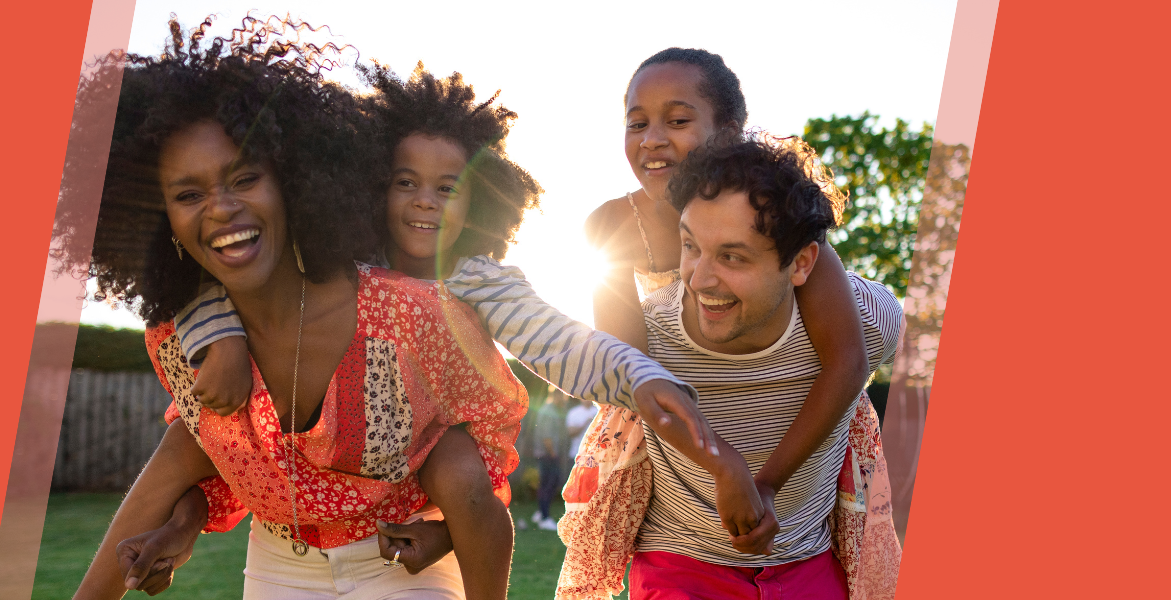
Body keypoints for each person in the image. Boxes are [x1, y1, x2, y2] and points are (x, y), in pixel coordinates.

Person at [66, 17, 529, 600]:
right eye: (188, 194)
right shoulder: (180, 344)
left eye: (246, 178)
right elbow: (222, 462)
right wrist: (178, 528)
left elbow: (487, 432)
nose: (221, 209)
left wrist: (443, 526)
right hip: (278, 568)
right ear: (165, 226)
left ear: (294, 181)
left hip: (402, 564)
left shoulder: (410, 313)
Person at [556, 47, 891, 600]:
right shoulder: (615, 224)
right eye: (636, 123)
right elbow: (630, 378)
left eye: (678, 120)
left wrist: (766, 484)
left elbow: (845, 358)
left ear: (730, 130)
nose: (652, 138)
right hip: (681, 474)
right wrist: (726, 467)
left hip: (784, 439)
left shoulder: (773, 211)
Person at [630, 133, 903, 598]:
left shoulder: (872, 322)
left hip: (807, 560)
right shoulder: (649, 335)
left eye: (732, 256)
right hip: (680, 560)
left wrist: (770, 484)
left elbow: (848, 364)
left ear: (801, 264)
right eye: (691, 246)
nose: (700, 279)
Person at [531, 387, 568, 530]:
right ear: (556, 395)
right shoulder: (549, 411)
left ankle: (541, 513)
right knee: (549, 484)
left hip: (548, 454)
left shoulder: (552, 409)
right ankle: (545, 518)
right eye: (563, 396)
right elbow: (547, 437)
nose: (565, 399)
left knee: (547, 483)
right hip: (548, 455)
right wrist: (553, 454)